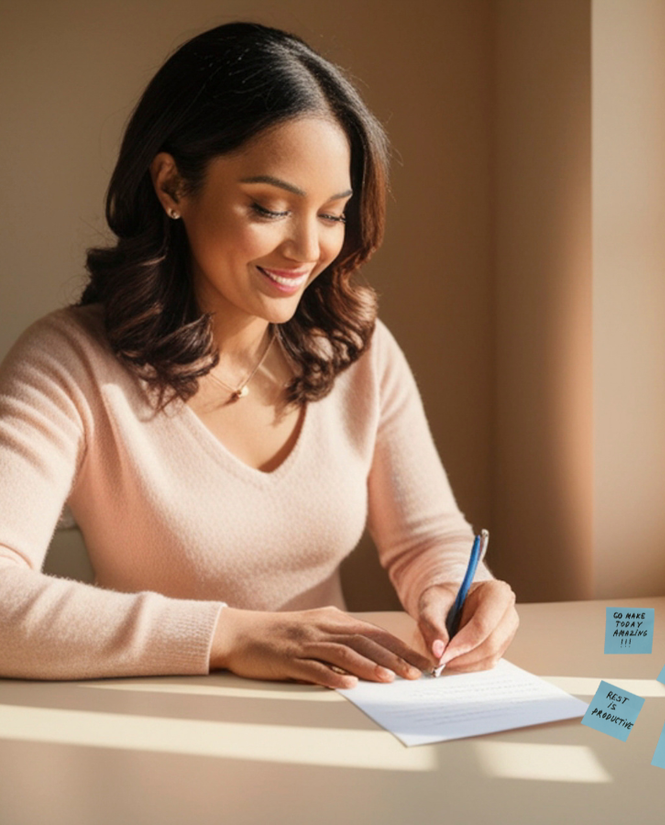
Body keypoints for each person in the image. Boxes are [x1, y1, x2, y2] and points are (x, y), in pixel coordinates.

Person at [0, 22, 517, 688]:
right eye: (269, 206)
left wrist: (460, 592)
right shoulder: (68, 364)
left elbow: (427, 542)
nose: (307, 249)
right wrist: (233, 634)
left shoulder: (357, 349)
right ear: (171, 186)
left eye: (332, 213)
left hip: (342, 721)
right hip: (152, 735)